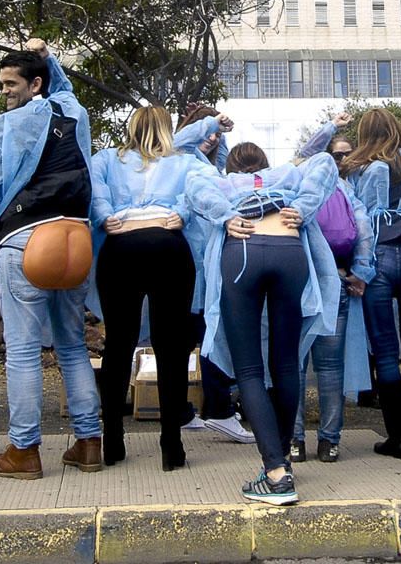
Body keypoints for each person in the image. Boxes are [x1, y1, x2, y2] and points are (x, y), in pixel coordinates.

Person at [0, 39, 102, 479]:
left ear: (34, 84)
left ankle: (23, 450)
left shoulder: (8, 125)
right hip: (77, 238)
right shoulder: (75, 114)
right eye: (2, 84)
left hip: (28, 240)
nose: (5, 91)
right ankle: (89, 443)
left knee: (24, 352)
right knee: (72, 347)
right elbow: (63, 88)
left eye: (11, 83)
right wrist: (47, 58)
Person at [188, 142, 338, 504]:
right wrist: (302, 207)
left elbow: (194, 184)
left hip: (243, 250)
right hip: (290, 252)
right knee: (287, 364)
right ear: (264, 164)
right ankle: (282, 459)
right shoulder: (287, 174)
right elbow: (324, 160)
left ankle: (274, 474)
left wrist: (225, 214)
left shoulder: (222, 182)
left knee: (250, 369)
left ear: (233, 167)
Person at [89, 106, 221, 470]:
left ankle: (112, 439)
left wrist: (105, 218)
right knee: (171, 346)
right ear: (168, 129)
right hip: (168, 242)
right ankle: (171, 445)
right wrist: (182, 211)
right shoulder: (184, 161)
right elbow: (205, 189)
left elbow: (94, 191)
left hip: (122, 244)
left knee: (118, 344)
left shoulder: (105, 159)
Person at [340, 109, 401, 460]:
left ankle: (399, 439)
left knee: (384, 349)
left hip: (377, 257)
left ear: (364, 133)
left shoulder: (359, 164)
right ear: (396, 129)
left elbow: (357, 217)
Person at [292, 117, 376, 463]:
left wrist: (326, 126)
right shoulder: (344, 189)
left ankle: (294, 441)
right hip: (337, 281)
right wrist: (361, 272)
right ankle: (330, 441)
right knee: (331, 368)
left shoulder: (296, 186)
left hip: (298, 283)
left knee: (293, 365)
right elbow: (364, 230)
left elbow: (304, 152)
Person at [171, 111, 255, 443]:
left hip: (199, 262)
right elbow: (179, 141)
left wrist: (219, 133)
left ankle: (182, 410)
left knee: (186, 337)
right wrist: (209, 123)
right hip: (194, 263)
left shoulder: (204, 165)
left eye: (218, 133)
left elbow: (224, 167)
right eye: (209, 131)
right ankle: (219, 409)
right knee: (210, 334)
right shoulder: (182, 157)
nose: (214, 137)